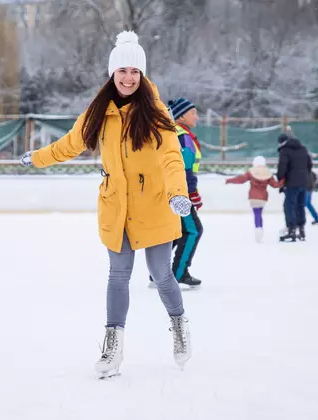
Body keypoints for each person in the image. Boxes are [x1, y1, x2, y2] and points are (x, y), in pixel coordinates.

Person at [20, 31, 192, 378]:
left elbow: (171, 157)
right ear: (112, 73)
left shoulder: (157, 113)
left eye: (134, 71)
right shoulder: (99, 111)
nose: (128, 78)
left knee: (161, 274)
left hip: (156, 204)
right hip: (117, 206)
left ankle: (179, 325)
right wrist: (36, 158)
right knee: (118, 275)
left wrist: (178, 193)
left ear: (142, 76)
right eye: (122, 71)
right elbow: (69, 144)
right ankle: (113, 348)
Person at [166, 97, 203, 287]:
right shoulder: (181, 135)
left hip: (175, 191)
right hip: (181, 193)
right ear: (180, 115)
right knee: (193, 231)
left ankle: (158, 273)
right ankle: (178, 274)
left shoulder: (178, 132)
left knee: (175, 232)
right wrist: (192, 193)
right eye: (193, 113)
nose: (197, 117)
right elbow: (184, 167)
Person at [225, 156, 283, 242]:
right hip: (263, 198)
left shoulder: (251, 172)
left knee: (256, 213)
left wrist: (229, 180)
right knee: (259, 213)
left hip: (253, 197)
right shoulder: (267, 173)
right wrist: (284, 180)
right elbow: (275, 185)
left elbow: (241, 179)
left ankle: (258, 230)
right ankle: (260, 229)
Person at [276, 133, 312, 241]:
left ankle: (291, 229)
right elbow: (309, 165)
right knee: (300, 205)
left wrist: (281, 180)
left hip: (291, 183)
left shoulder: (284, 150)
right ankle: (301, 229)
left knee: (289, 206)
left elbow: (282, 167)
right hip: (303, 182)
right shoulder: (303, 149)